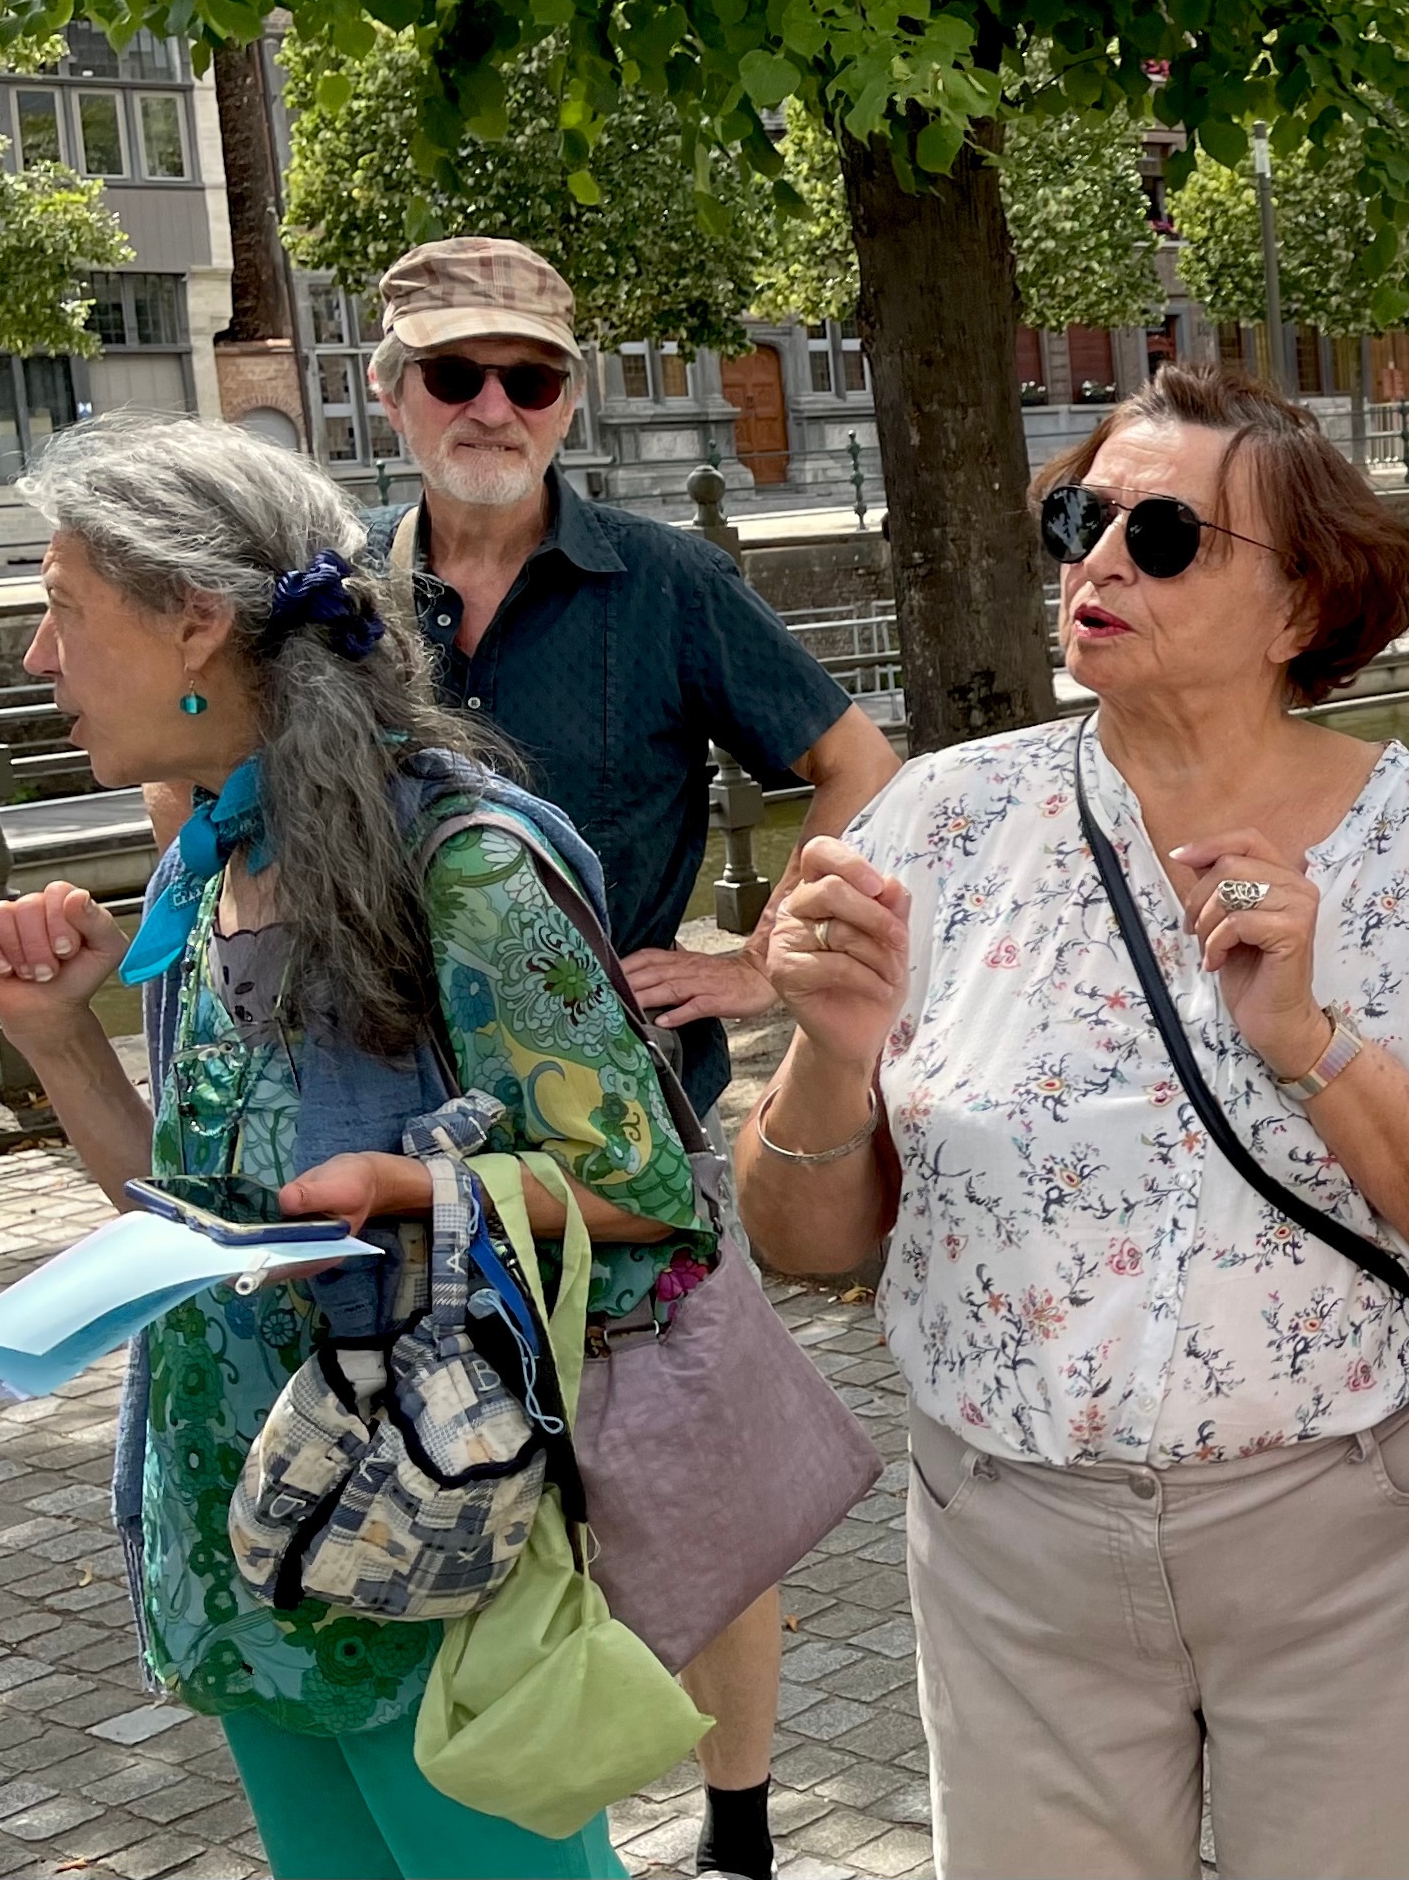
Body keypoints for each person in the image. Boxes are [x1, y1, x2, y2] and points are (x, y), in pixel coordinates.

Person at [737, 363, 1409, 1877]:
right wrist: (829, 1053)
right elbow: (802, 1239)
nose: (1099, 559)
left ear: (1303, 606)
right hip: (1015, 1544)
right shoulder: (941, 821)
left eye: (1167, 535)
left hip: (1357, 1530)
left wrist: (1313, 1047)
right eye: (1080, 517)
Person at [0, 416, 713, 1877]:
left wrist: (412, 1190)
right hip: (255, 1536)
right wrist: (58, 1036)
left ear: (195, 618)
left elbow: (652, 1190)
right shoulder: (217, 853)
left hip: (427, 1530)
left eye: (61, 606)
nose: (38, 660)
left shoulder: (469, 861)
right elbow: (175, 1212)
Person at [361, 236, 899, 1880]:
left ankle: (737, 1839)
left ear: (568, 395)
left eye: (528, 376)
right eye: (456, 374)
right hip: (397, 1139)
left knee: (698, 1498)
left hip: (631, 1135)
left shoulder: (660, 585)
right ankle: (525, 1820)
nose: (493, 405)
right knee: (460, 1490)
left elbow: (859, 764)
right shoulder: (337, 607)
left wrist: (752, 958)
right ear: (390, 395)